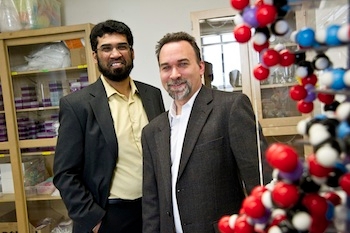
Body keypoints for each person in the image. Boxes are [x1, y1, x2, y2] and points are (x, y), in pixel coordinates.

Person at [141, 31, 272, 233]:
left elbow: (261, 181)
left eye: (183, 64)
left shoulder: (230, 108)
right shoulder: (152, 131)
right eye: (166, 67)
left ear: (200, 67)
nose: (174, 74)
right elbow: (151, 202)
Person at [53, 20, 165, 233]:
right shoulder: (78, 105)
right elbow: (64, 173)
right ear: (95, 56)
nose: (115, 54)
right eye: (106, 48)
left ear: (132, 52)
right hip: (109, 216)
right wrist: (94, 220)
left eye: (121, 46)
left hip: (153, 210)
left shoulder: (152, 95)